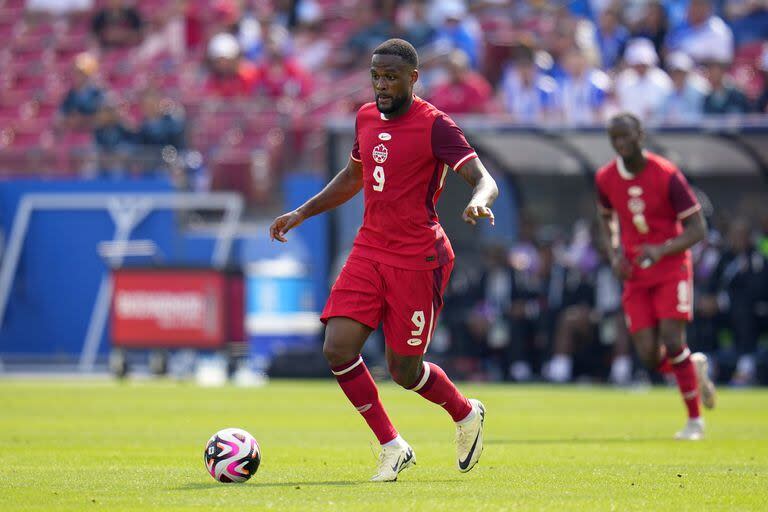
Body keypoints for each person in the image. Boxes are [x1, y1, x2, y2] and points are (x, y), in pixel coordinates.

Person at [269, 39, 497, 482]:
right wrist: (302, 211)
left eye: (391, 76)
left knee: (404, 371)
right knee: (337, 348)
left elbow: (482, 178)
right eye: (376, 76)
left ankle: (466, 412)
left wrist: (478, 200)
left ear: (413, 78)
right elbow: (354, 175)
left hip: (418, 258)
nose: (381, 85)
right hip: (369, 249)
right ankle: (392, 446)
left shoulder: (436, 125)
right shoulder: (366, 116)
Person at [595, 112, 716, 440]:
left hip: (671, 267)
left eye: (626, 136)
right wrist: (615, 253)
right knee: (649, 355)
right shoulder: (606, 178)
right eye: (615, 138)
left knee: (673, 340)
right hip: (635, 272)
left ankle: (695, 422)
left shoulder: (666, 174)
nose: (621, 143)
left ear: (640, 135)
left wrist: (661, 249)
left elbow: (698, 229)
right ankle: (693, 370)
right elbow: (605, 218)